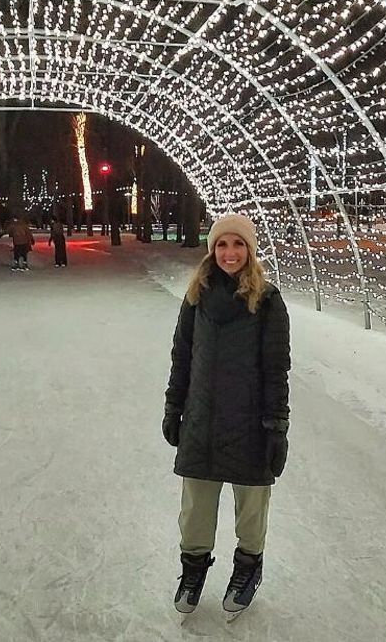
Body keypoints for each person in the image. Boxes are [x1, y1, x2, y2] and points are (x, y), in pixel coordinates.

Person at [161, 213, 291, 614]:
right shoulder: (195, 298)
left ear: (249, 251)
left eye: (237, 245)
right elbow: (182, 357)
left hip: (250, 422)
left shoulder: (267, 300)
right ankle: (194, 569)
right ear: (212, 249)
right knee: (196, 506)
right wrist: (174, 406)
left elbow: (275, 369)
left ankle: (248, 569)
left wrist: (276, 427)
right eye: (221, 244)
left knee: (251, 505)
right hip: (201, 418)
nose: (229, 253)